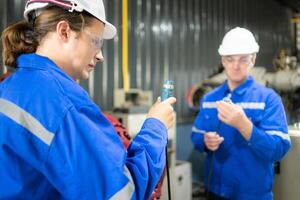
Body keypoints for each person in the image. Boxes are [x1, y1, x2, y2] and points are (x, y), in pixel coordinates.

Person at [0, 0, 176, 199]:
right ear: (64, 31)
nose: (100, 55)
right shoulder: (65, 104)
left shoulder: (9, 87)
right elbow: (123, 194)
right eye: (96, 41)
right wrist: (156, 126)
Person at [191, 27, 291, 200]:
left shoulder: (268, 99)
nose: (235, 66)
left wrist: (245, 126)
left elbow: (279, 148)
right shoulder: (210, 98)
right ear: (223, 61)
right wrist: (205, 141)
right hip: (215, 190)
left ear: (253, 60)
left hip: (253, 193)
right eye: (230, 59)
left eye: (243, 60)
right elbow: (196, 135)